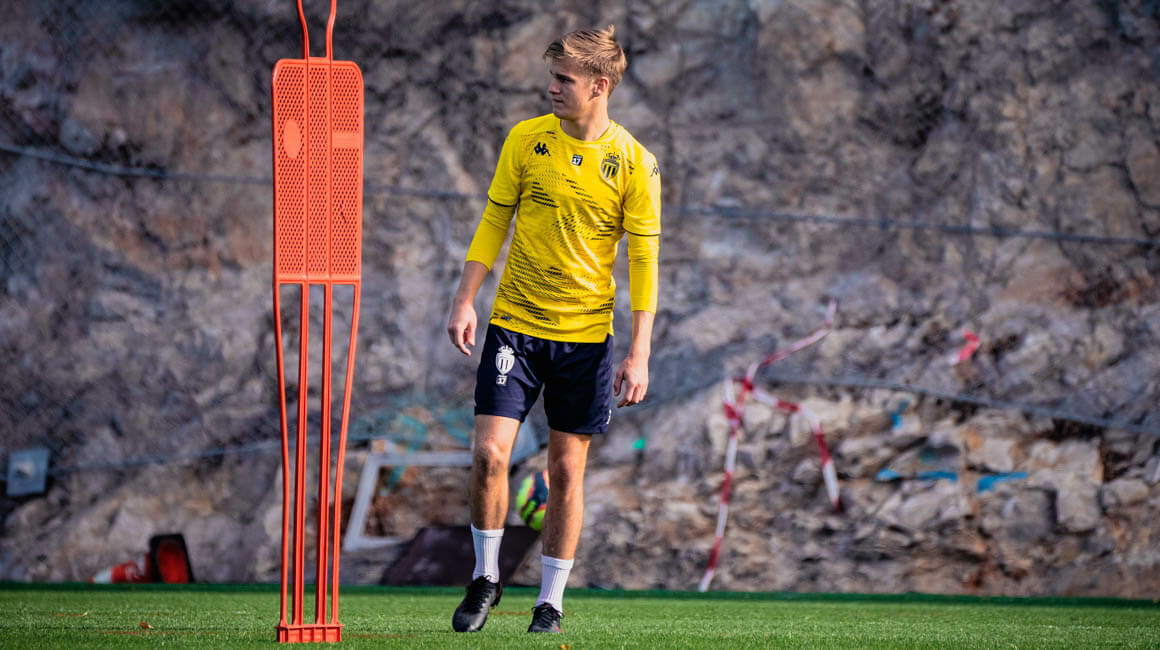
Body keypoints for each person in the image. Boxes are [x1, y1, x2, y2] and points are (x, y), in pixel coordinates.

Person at [445, 25, 661, 635]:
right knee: (489, 454)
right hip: (514, 327)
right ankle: (485, 578)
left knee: (564, 472)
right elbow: (495, 220)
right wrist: (465, 299)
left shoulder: (635, 163)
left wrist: (639, 352)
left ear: (600, 86)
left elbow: (644, 262)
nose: (552, 88)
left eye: (564, 79)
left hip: (585, 340)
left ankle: (550, 603)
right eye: (552, 77)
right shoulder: (525, 139)